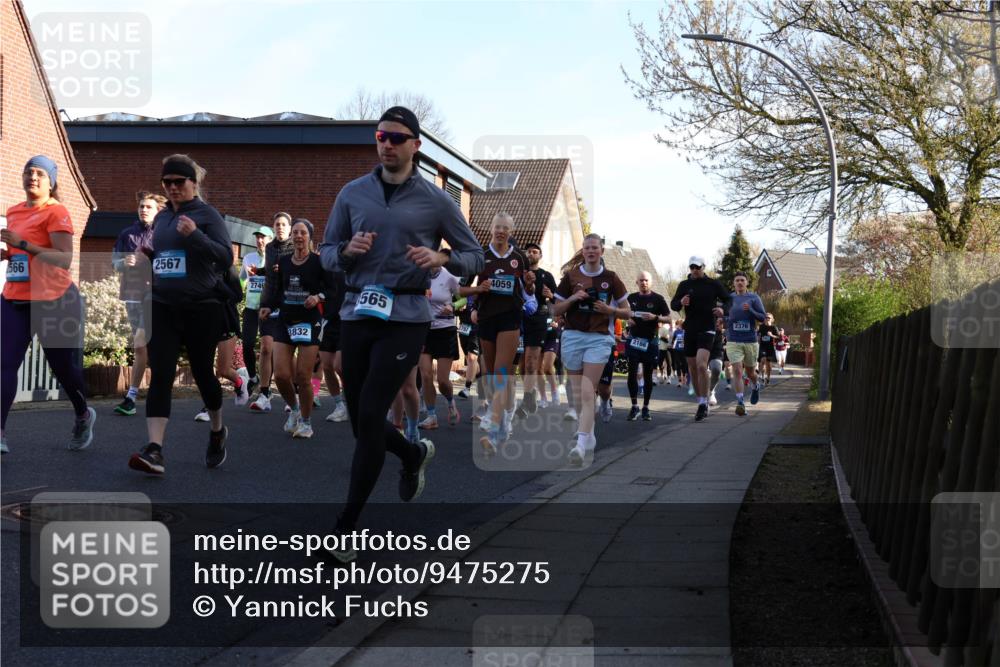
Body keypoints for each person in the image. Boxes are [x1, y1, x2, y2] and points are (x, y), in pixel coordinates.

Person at [319, 106, 483, 560]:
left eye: (396, 137)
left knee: (371, 413)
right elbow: (326, 252)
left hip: (408, 315)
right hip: (357, 310)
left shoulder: (436, 200)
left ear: (416, 145)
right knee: (360, 420)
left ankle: (345, 530)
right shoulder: (352, 194)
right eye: (380, 136)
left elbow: (475, 256)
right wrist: (346, 252)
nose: (386, 144)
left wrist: (443, 260)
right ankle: (411, 455)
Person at [127, 154, 233, 474]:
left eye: (179, 182)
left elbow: (226, 258)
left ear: (193, 183)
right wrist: (150, 254)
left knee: (203, 374)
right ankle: (155, 449)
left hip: (201, 307)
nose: (172, 187)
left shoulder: (207, 214)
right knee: (161, 372)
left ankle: (217, 430)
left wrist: (196, 235)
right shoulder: (160, 219)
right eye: (167, 182)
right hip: (162, 304)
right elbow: (169, 257)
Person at [1, 156, 96, 454]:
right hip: (15, 297)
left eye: (40, 173)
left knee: (62, 368)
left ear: (51, 181)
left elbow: (64, 259)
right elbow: (23, 253)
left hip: (54, 300)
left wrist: (24, 244)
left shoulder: (56, 211)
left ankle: (83, 413)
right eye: (28, 172)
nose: (33, 177)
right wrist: (9, 254)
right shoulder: (14, 211)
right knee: (3, 364)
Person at [552, 233, 629, 466]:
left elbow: (628, 311)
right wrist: (574, 297)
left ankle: (580, 443)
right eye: (587, 248)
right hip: (573, 336)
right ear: (583, 251)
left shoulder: (611, 278)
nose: (591, 251)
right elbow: (555, 310)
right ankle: (590, 433)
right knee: (578, 395)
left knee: (588, 390)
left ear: (601, 251)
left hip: (598, 338)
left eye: (595, 247)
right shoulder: (571, 276)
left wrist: (610, 310)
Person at [465, 213, 536, 454]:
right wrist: (478, 290)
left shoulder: (519, 257)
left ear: (511, 232)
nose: (501, 231)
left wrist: (530, 284)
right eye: (497, 227)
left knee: (501, 374)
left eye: (506, 228)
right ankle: (505, 421)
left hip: (510, 317)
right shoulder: (480, 256)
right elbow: (461, 289)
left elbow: (528, 291)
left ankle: (493, 433)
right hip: (486, 318)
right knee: (493, 375)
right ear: (491, 228)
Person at [259, 218, 328, 438]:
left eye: (303, 233)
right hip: (286, 320)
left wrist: (318, 297)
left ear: (309, 237)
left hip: (310, 321)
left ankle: (306, 423)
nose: (298, 236)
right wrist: (267, 306)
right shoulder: (284, 261)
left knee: (302, 375)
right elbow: (277, 288)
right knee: (280, 375)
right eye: (295, 233)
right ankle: (295, 410)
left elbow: (332, 289)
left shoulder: (319, 262)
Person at [111, 191, 166, 416]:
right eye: (142, 206)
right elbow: (114, 263)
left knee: (140, 341)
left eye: (149, 207)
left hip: (154, 294)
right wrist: (124, 262)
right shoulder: (127, 234)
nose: (144, 209)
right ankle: (146, 392)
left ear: (158, 211)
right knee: (142, 345)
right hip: (131, 294)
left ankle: (131, 396)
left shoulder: (163, 234)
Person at [670, 257, 730, 422]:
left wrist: (722, 309)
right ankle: (701, 400)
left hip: (708, 328)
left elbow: (728, 299)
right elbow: (673, 305)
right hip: (690, 329)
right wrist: (681, 302)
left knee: (701, 365)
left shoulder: (713, 284)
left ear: (704, 267)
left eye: (697, 267)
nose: (695, 270)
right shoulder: (684, 285)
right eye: (692, 267)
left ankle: (703, 405)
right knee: (692, 368)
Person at [194, 265, 250, 421]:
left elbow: (237, 296)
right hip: (204, 323)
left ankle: (240, 381)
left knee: (223, 370)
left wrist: (217, 285)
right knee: (204, 369)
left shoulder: (226, 267)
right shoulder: (196, 265)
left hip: (226, 322)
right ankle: (209, 407)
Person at [250, 212, 293, 413]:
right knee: (266, 348)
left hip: (289, 303)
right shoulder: (269, 247)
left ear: (290, 227)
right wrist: (259, 272)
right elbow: (270, 273)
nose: (280, 228)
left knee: (286, 350)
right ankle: (265, 393)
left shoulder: (295, 246)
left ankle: (291, 391)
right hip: (268, 303)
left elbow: (302, 272)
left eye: (284, 224)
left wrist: (284, 269)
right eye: (277, 224)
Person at [417, 266, 462, 429]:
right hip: (424, 330)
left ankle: (450, 402)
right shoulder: (419, 275)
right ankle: (431, 416)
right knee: (426, 375)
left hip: (445, 330)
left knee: (442, 380)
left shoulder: (449, 276)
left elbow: (462, 298)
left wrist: (453, 306)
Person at [625, 272, 671, 422]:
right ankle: (634, 406)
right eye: (641, 280)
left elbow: (669, 318)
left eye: (646, 280)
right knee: (631, 373)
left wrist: (655, 318)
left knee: (647, 374)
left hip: (650, 341)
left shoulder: (658, 299)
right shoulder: (630, 298)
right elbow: (622, 313)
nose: (643, 283)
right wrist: (628, 319)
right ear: (636, 282)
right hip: (633, 340)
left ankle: (645, 407)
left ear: (650, 282)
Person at [518, 242, 558, 415]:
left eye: (535, 252)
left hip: (538, 320)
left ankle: (527, 401)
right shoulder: (518, 273)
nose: (531, 254)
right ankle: (531, 394)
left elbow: (558, 300)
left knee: (531, 363)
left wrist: (551, 296)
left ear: (540, 256)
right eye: (529, 251)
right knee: (521, 366)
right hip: (518, 320)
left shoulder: (546, 276)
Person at [239, 225, 275, 397]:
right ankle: (253, 377)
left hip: (268, 310)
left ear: (270, 239)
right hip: (251, 308)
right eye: (257, 237)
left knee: (268, 348)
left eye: (263, 237)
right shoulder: (248, 258)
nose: (260, 240)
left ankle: (266, 386)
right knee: (247, 345)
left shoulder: (275, 259)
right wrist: (237, 295)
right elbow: (241, 280)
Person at [725, 271, 767, 416]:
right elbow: (725, 316)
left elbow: (762, 317)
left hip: (750, 340)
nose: (740, 282)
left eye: (742, 280)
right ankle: (740, 402)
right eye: (737, 280)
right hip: (733, 339)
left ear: (747, 283)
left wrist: (751, 310)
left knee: (750, 372)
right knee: (736, 370)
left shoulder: (754, 298)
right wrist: (721, 318)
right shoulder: (729, 298)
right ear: (734, 283)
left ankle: (756, 385)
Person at [320, 268, 348, 423]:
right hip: (328, 320)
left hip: (348, 319)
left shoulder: (352, 263)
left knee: (339, 365)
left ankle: (352, 395)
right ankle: (340, 406)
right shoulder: (323, 266)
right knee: (327, 365)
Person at [539, 315, 562, 408]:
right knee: (538, 369)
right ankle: (543, 398)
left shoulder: (552, 302)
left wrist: (559, 323)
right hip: (537, 333)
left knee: (547, 367)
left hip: (552, 336)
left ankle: (554, 390)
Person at [758, 313, 780, 385]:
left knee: (769, 364)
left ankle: (768, 378)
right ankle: (762, 376)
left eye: (769, 318)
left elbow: (778, 337)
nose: (767, 319)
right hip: (762, 346)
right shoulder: (761, 327)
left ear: (772, 320)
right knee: (763, 359)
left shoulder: (774, 328)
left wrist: (771, 335)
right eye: (766, 317)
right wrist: (758, 337)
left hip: (770, 347)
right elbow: (757, 334)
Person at [657, 320, 673, 385]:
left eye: (659, 322)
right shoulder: (657, 330)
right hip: (660, 348)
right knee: (659, 363)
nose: (658, 324)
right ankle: (662, 374)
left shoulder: (666, 329)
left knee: (669, 363)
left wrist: (661, 337)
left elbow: (667, 340)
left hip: (667, 349)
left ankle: (669, 378)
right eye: (658, 323)